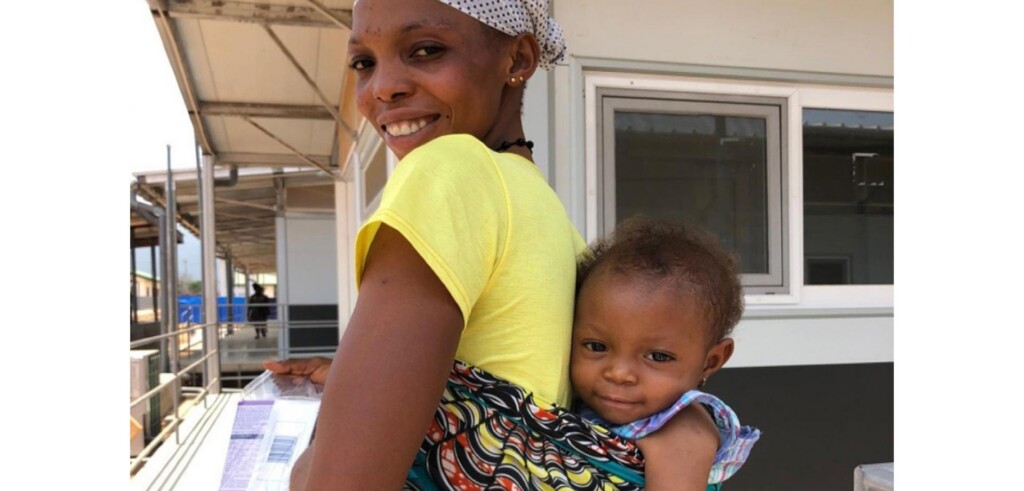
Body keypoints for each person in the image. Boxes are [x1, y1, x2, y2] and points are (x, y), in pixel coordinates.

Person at [264, 0, 722, 488]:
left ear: (519, 60)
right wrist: (361, 384)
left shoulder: (448, 169)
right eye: (364, 63)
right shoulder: (551, 218)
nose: (383, 87)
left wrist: (309, 461)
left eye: (425, 50)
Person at [571, 218, 761, 490]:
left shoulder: (681, 432)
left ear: (711, 361)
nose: (618, 373)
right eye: (596, 346)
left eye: (658, 357)